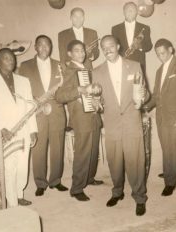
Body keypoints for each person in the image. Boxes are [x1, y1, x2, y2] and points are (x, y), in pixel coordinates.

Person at [92, 35, 148, 216]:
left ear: (118, 46)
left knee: (136, 162)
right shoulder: (97, 71)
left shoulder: (134, 65)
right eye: (104, 47)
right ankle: (117, 192)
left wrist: (142, 99)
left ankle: (139, 197)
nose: (107, 50)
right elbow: (96, 98)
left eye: (110, 46)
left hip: (132, 121)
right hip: (112, 123)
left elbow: (145, 93)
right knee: (114, 162)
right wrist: (95, 104)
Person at [0, 48, 38, 207]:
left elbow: (30, 107)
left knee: (22, 166)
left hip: (23, 132)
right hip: (4, 134)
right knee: (9, 169)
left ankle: (19, 194)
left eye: (12, 58)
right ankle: (12, 203)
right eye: (5, 58)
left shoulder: (24, 81)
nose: (10, 60)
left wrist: (33, 130)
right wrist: (0, 128)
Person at [18, 35, 67, 197]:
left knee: (57, 147)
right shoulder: (25, 66)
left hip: (57, 112)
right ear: (36, 47)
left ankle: (56, 180)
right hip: (37, 112)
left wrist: (57, 96)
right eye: (41, 45)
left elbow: (65, 89)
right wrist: (34, 101)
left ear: (51, 47)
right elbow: (20, 91)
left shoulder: (60, 65)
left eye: (48, 45)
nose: (44, 48)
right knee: (38, 148)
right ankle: (40, 182)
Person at [55, 40, 103, 201]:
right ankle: (76, 188)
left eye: (82, 50)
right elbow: (59, 96)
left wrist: (97, 99)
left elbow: (93, 92)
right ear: (70, 54)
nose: (81, 53)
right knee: (83, 152)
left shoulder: (87, 69)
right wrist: (80, 90)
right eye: (77, 51)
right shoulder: (69, 71)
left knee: (93, 150)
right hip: (81, 118)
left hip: (93, 115)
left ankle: (89, 178)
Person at [144, 39, 176, 196]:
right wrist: (145, 107)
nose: (160, 56)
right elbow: (157, 95)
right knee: (167, 147)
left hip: (175, 115)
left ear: (171, 49)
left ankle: (170, 182)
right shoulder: (159, 70)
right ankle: (172, 168)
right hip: (161, 116)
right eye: (157, 54)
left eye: (162, 53)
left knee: (172, 146)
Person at [112, 2, 152, 73]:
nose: (130, 12)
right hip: (122, 64)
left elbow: (149, 46)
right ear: (124, 12)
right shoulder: (115, 29)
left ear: (136, 12)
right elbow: (114, 47)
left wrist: (140, 46)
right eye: (127, 10)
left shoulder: (145, 28)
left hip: (139, 64)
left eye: (132, 10)